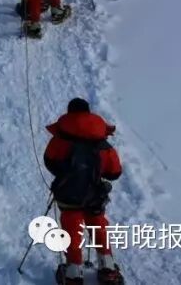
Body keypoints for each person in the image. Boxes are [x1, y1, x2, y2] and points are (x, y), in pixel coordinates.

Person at [44, 98, 124, 285]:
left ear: (69, 114)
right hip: (95, 195)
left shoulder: (60, 139)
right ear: (89, 114)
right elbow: (115, 172)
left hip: (68, 195)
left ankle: (73, 273)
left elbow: (50, 162)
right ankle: (108, 268)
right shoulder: (103, 143)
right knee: (98, 225)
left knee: (72, 230)